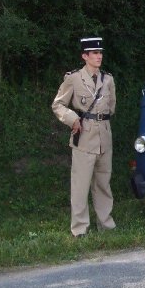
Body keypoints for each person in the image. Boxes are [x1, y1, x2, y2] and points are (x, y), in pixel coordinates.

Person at [52, 37, 117, 237]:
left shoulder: (108, 79)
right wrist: (73, 119)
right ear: (85, 56)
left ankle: (105, 224)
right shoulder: (73, 78)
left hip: (104, 136)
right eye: (94, 53)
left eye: (100, 53)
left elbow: (111, 107)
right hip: (84, 136)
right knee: (80, 185)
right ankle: (80, 228)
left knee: (103, 183)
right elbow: (58, 104)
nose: (99, 56)